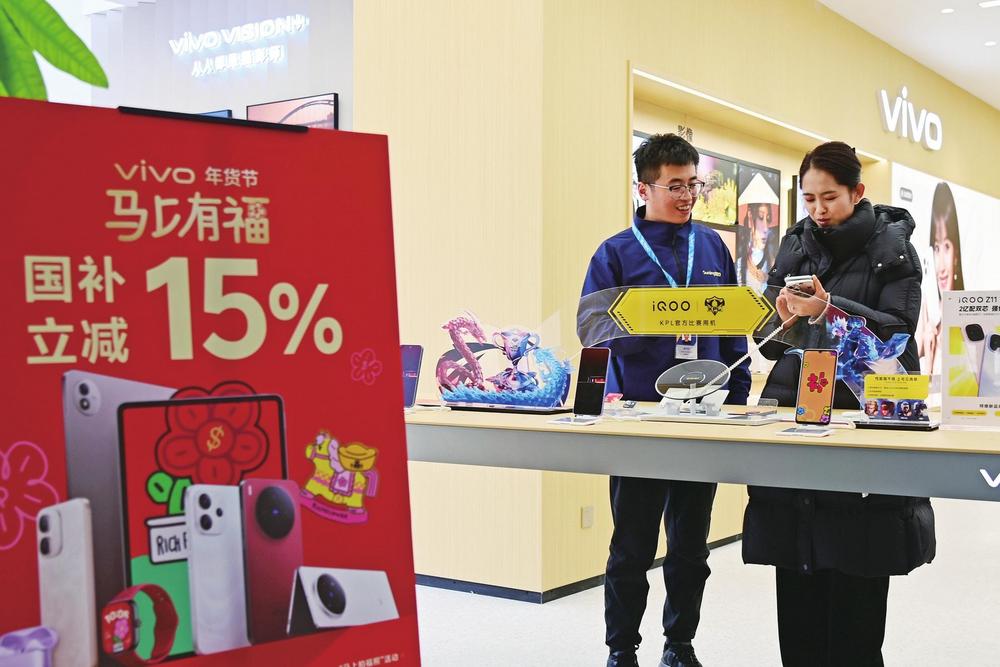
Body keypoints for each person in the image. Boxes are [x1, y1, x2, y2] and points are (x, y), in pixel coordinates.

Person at [742, 141, 936, 666]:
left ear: (857, 192)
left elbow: (897, 338)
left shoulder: (892, 249)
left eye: (829, 197)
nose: (818, 210)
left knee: (855, 615)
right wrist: (780, 318)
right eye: (809, 199)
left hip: (860, 427)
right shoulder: (795, 244)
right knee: (798, 617)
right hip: (796, 420)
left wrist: (830, 309)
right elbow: (767, 342)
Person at [578, 133, 751, 667]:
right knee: (631, 545)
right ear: (644, 188)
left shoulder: (714, 247)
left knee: (691, 547)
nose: (687, 195)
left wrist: (737, 396)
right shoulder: (615, 253)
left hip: (704, 416)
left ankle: (679, 645)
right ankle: (621, 649)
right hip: (640, 423)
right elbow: (593, 332)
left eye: (693, 184)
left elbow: (734, 326)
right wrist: (656, 322)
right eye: (674, 185)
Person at [916, 182, 965, 376]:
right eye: (936, 248)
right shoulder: (926, 309)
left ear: (956, 254)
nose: (941, 266)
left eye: (947, 246)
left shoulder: (966, 317)